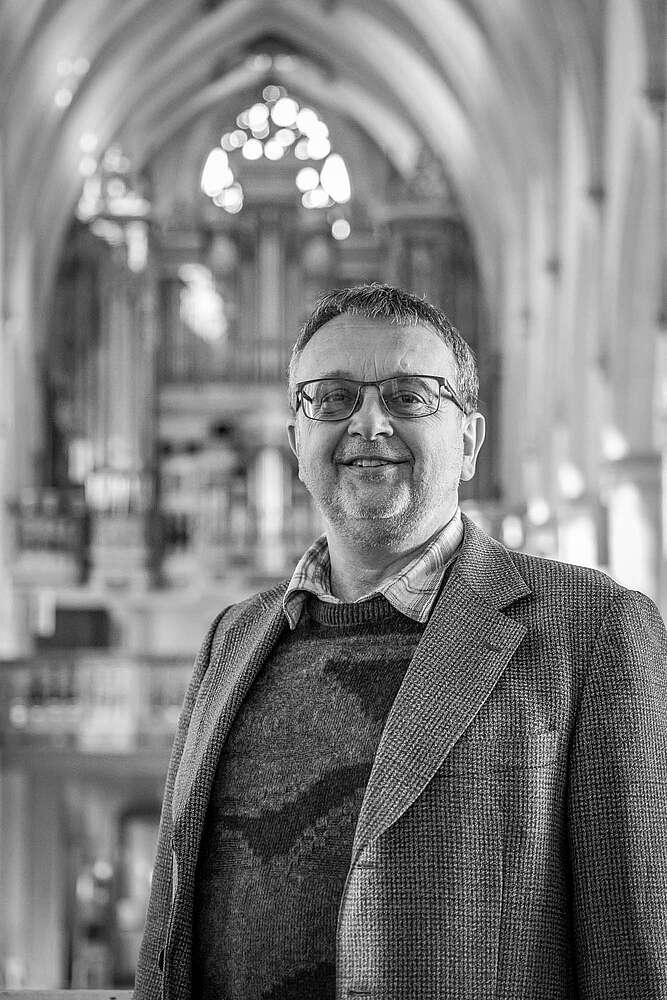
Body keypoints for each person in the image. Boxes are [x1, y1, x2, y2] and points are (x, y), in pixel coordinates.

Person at [135, 283, 667, 1000]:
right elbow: (170, 931)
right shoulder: (232, 638)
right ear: (296, 443)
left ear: (468, 442)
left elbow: (635, 956)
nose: (368, 422)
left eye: (409, 396)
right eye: (332, 398)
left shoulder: (594, 630)